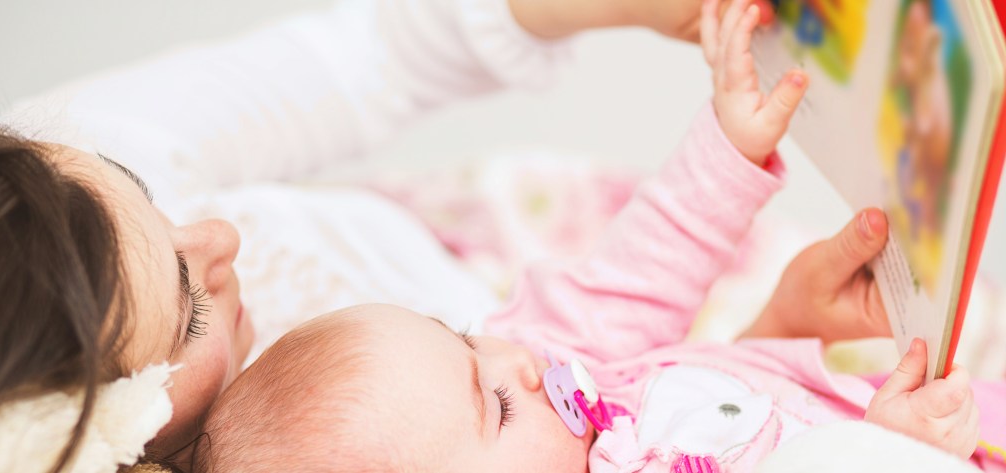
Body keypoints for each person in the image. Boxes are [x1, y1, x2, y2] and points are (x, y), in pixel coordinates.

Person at [0, 0, 798, 471]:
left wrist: (770, 341)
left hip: (544, 262)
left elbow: (377, 54)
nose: (222, 235)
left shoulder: (53, 176)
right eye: (188, 311)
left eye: (149, 194)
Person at [194, 2, 993, 472]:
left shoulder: (544, 368)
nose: (521, 361)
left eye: (464, 339)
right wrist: (884, 455)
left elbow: (639, 270)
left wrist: (730, 139)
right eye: (495, 403)